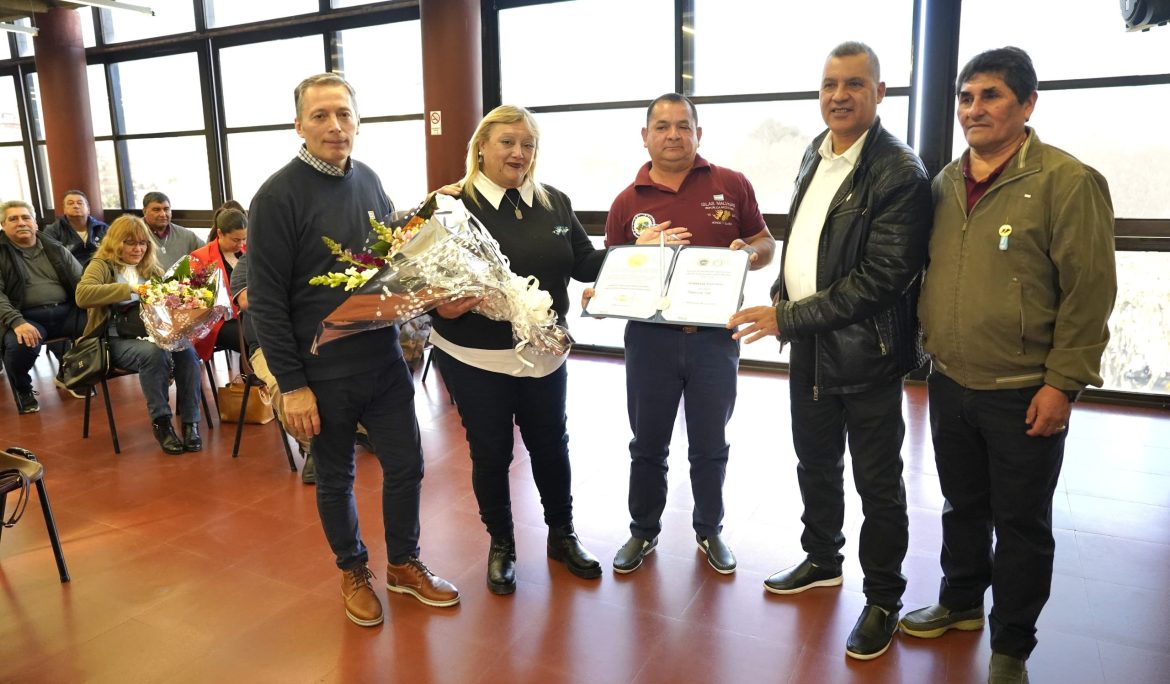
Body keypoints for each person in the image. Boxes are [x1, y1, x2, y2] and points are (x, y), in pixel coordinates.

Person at [900, 47, 1116, 684]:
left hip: (1024, 388)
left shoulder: (1066, 181)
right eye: (966, 98)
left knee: (1021, 522)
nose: (974, 109)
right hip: (950, 379)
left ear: (1027, 104)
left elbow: (1090, 291)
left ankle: (1011, 646)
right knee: (962, 505)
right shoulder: (942, 182)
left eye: (991, 95)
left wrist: (1062, 384)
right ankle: (961, 602)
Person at [728, 42, 932, 660]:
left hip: (865, 356)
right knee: (814, 463)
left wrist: (785, 314)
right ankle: (821, 560)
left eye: (853, 84)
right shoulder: (814, 156)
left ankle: (883, 599)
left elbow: (880, 280)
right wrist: (780, 289)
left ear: (879, 93)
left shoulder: (899, 172)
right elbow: (807, 246)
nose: (838, 95)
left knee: (878, 483)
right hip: (811, 352)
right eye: (828, 84)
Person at [431, 105, 686, 595]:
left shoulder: (553, 202)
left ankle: (561, 535)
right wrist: (442, 310)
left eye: (528, 144)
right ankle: (502, 544)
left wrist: (639, 249)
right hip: (475, 356)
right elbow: (427, 286)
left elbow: (586, 262)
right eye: (507, 142)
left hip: (545, 351)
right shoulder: (453, 206)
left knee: (552, 446)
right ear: (481, 146)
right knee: (492, 453)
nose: (518, 153)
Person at [247, 73, 459, 626]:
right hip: (320, 374)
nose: (334, 126)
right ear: (298, 125)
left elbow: (389, 255)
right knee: (336, 477)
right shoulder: (275, 197)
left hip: (383, 360)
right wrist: (291, 387)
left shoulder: (367, 178)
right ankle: (353, 568)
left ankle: (404, 564)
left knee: (407, 465)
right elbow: (266, 302)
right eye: (320, 116)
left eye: (343, 114)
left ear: (358, 121)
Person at [603, 93, 775, 576]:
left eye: (683, 126)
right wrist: (638, 250)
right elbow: (611, 269)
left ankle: (709, 529)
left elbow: (766, 240)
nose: (673, 135)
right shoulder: (626, 201)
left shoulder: (731, 184)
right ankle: (642, 530)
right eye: (662, 126)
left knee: (709, 442)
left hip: (714, 340)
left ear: (699, 133)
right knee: (647, 443)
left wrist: (751, 253)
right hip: (649, 341)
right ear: (646, 136)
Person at [75, 215, 204, 455]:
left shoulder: (152, 267)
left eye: (143, 243)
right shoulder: (102, 265)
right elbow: (82, 295)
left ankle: (190, 423)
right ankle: (162, 423)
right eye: (130, 243)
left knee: (187, 351)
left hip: (154, 333)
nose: (138, 249)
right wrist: (131, 289)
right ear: (116, 243)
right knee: (154, 355)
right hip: (113, 339)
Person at [229, 252, 315, 484]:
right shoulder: (249, 261)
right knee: (283, 385)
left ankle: (359, 431)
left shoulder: (307, 255)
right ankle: (313, 448)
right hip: (266, 345)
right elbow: (245, 300)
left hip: (311, 338)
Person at [0, 199, 87, 412]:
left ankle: (70, 373)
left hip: (65, 311)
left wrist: (94, 307)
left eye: (26, 217)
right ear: (3, 225)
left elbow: (82, 282)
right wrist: (16, 322)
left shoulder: (56, 249)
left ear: (35, 223)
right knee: (22, 345)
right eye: (13, 219)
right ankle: (23, 389)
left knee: (100, 328)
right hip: (25, 317)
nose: (21, 223)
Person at [188, 203, 246, 361]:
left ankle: (256, 380)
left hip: (247, 314)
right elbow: (197, 301)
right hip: (217, 320)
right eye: (235, 240)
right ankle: (251, 380)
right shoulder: (201, 257)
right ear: (220, 233)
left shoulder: (246, 252)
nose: (240, 245)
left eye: (244, 239)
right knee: (252, 340)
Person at [42, 189, 108, 267]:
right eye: (70, 203)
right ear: (64, 209)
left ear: (88, 209)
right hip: (70, 273)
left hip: (100, 270)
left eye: (80, 203)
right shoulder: (53, 231)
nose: (76, 206)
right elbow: (53, 259)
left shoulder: (102, 228)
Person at [141, 191, 201, 271]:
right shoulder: (133, 232)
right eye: (156, 210)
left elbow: (208, 254)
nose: (163, 214)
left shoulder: (186, 235)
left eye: (166, 209)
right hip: (142, 283)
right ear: (144, 211)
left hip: (180, 283)